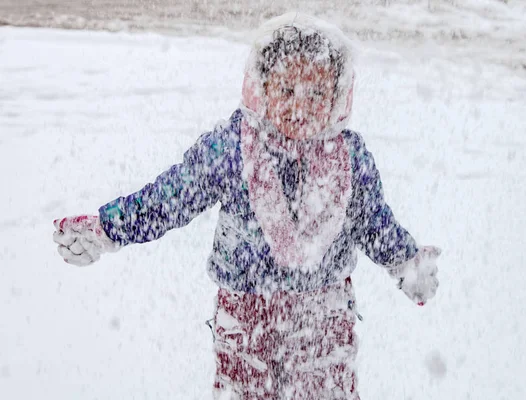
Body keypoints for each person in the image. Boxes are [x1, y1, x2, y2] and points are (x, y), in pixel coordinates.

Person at [52, 12, 441, 400]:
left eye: (317, 94)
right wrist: (106, 228)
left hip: (324, 314)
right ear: (261, 87)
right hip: (245, 315)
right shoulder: (233, 148)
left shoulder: (349, 158)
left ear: (339, 96)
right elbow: (171, 197)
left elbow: (373, 222)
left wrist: (405, 261)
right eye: (286, 90)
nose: (300, 107)